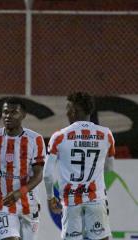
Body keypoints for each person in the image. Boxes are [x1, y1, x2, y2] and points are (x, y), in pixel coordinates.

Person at [43, 92, 114, 240]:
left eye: (68, 108)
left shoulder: (60, 136)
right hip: (96, 198)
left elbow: (47, 174)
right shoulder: (106, 134)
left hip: (70, 200)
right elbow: (109, 169)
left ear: (74, 111)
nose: (67, 112)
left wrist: (50, 197)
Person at [0, 97, 45, 240]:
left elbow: (38, 175)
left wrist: (20, 192)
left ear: (23, 115)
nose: (8, 116)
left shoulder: (35, 139)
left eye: (14, 112)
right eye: (5, 112)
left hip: (29, 204)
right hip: (3, 204)